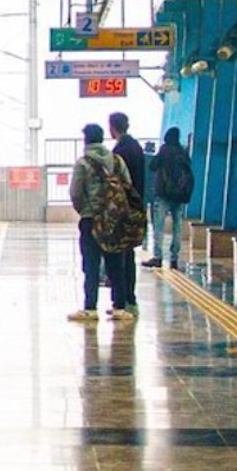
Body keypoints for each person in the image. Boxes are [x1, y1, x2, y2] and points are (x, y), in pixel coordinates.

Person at [69, 122, 136, 322]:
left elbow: (75, 193)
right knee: (116, 263)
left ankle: (90, 308)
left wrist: (84, 211)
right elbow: (128, 185)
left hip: (91, 219)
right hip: (114, 220)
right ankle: (119, 307)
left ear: (86, 140)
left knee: (91, 264)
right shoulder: (116, 160)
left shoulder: (83, 163)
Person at [107, 113, 146, 309]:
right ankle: (130, 295)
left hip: (123, 208)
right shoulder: (136, 147)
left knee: (118, 254)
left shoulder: (120, 151)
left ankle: (120, 298)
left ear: (113, 128)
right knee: (128, 253)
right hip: (136, 206)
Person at [145, 127, 195, 270]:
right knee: (177, 227)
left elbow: (152, 166)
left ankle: (158, 257)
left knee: (159, 226)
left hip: (164, 194)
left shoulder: (164, 150)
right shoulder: (182, 152)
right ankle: (174, 259)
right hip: (179, 195)